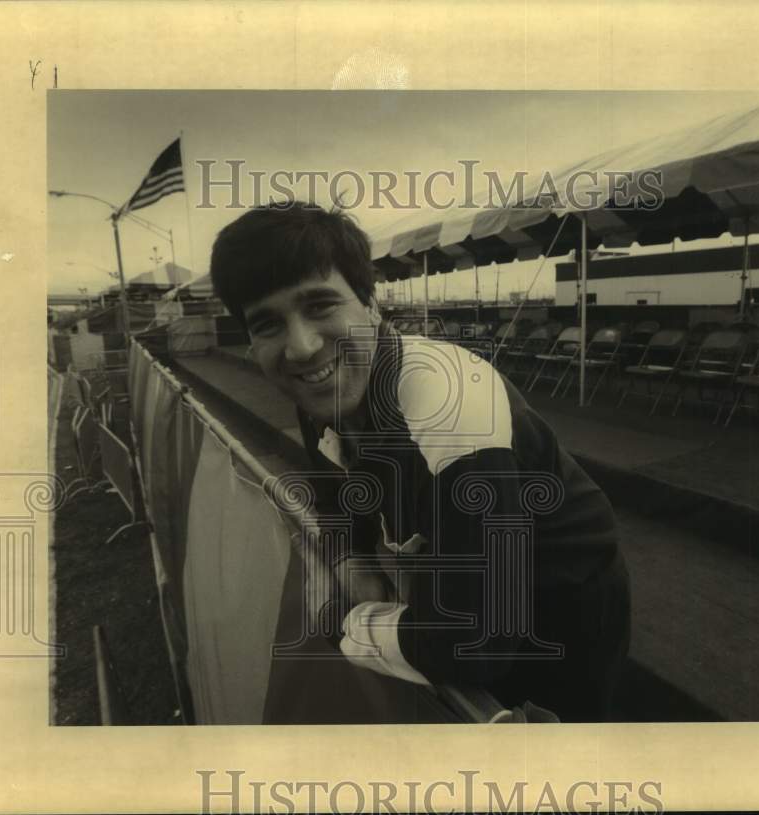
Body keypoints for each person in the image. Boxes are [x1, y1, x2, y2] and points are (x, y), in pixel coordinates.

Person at [210, 201, 630, 721]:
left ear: (371, 306)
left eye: (320, 305)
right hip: (465, 583)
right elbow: (334, 497)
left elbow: (477, 644)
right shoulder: (323, 390)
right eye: (267, 324)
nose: (300, 347)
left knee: (551, 756)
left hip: (564, 593)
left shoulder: (450, 409)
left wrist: (347, 623)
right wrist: (353, 559)